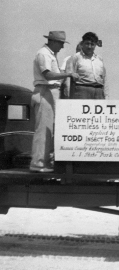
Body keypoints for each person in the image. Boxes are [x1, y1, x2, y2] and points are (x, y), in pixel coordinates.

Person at [30, 31, 79, 172]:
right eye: (61, 43)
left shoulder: (50, 54)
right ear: (53, 41)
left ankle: (44, 162)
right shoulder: (43, 54)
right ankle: (37, 163)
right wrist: (68, 74)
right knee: (43, 130)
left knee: (49, 130)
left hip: (51, 91)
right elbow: (48, 74)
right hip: (45, 91)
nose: (62, 47)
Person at [65, 32, 108, 100]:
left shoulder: (99, 59)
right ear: (82, 44)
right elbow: (68, 78)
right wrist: (68, 96)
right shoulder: (75, 58)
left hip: (99, 92)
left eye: (92, 44)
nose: (89, 46)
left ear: (95, 45)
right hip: (82, 91)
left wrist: (106, 96)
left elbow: (104, 79)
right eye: (87, 43)